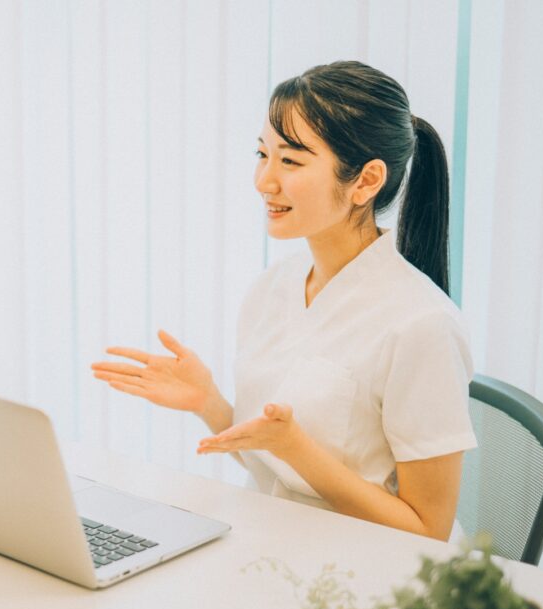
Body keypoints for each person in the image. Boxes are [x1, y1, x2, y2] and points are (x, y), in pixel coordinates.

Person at [92, 61, 476, 543]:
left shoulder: (422, 324)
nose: (264, 181)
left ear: (365, 181)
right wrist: (209, 403)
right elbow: (272, 463)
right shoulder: (274, 287)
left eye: (291, 161)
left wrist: (299, 449)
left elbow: (428, 531)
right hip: (276, 540)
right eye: (262, 154)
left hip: (374, 573)